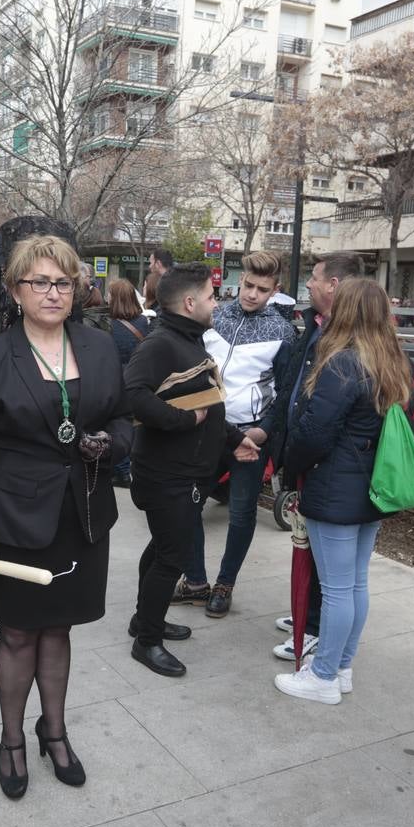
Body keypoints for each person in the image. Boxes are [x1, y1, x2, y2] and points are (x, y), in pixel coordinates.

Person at [0, 233, 132, 799]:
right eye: (39, 282)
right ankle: (11, 741)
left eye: (63, 282)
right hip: (13, 523)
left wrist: (109, 444)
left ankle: (54, 731)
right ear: (15, 290)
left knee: (59, 628)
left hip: (82, 517)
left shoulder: (99, 349)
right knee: (19, 634)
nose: (53, 292)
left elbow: (124, 420)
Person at [272, 278, 414, 705]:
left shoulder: (342, 364)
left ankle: (322, 675)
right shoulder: (392, 361)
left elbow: (315, 432)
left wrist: (289, 467)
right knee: (353, 584)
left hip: (335, 488)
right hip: (371, 488)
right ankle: (342, 666)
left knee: (336, 589)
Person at [123, 262, 260, 677]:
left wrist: (235, 440)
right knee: (173, 555)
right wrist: (184, 423)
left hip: (183, 471)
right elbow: (131, 396)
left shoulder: (188, 341)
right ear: (189, 302)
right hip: (167, 473)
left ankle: (144, 618)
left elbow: (206, 405)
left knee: (163, 547)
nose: (216, 303)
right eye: (210, 296)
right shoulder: (162, 343)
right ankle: (147, 641)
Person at [182, 251, 295, 618]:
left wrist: (263, 431)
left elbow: (287, 391)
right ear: (239, 281)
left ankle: (225, 584)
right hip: (208, 429)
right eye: (248, 285)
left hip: (250, 435)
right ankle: (196, 581)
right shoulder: (214, 317)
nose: (252, 294)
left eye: (262, 289)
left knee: (242, 513)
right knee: (188, 504)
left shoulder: (283, 332)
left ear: (275, 291)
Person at [266, 252, 365, 664]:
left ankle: (324, 655)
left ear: (335, 286)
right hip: (332, 473)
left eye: (315, 276)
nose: (308, 283)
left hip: (332, 476)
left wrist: (296, 457)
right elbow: (295, 389)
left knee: (339, 582)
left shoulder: (347, 349)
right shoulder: (317, 327)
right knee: (343, 578)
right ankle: (318, 635)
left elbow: (321, 423)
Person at [106, 277, 149, 488]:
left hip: (115, 378)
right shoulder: (143, 322)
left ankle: (121, 471)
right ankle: (129, 467)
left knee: (117, 424)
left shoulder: (109, 325)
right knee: (133, 425)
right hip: (138, 377)